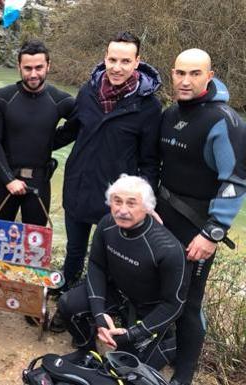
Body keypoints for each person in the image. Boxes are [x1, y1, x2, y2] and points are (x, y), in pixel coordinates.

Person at [156, 48, 246, 385]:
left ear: (209, 76)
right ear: (172, 74)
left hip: (197, 227)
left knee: (188, 303)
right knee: (161, 290)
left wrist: (212, 233)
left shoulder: (225, 121)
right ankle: (160, 352)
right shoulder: (168, 114)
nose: (185, 80)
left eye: (195, 74)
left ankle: (183, 374)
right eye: (180, 73)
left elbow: (235, 182)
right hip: (163, 218)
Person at [57, 32, 162, 291]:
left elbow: (149, 160)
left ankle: (96, 306)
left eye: (125, 61)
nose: (117, 68)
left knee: (108, 258)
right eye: (112, 59)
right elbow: (71, 131)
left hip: (117, 198)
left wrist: (145, 202)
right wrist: (30, 145)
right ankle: (66, 297)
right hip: (78, 185)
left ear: (137, 62)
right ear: (105, 58)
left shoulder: (148, 106)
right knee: (74, 251)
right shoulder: (87, 92)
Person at [57, 174, 189, 371]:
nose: (122, 210)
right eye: (117, 201)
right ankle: (87, 350)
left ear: (147, 207)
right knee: (67, 304)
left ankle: (166, 345)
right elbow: (96, 265)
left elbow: (174, 305)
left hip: (148, 309)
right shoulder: (107, 224)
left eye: (131, 203)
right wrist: (99, 314)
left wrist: (132, 334)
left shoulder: (168, 248)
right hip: (118, 293)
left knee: (127, 369)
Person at [0, 39, 74, 226]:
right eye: (27, 68)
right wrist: (9, 179)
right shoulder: (3, 98)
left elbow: (78, 126)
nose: (33, 74)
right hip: (6, 179)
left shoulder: (61, 100)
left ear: (48, 66)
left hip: (40, 181)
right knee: (0, 244)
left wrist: (49, 142)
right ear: (19, 66)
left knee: (35, 246)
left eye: (39, 67)